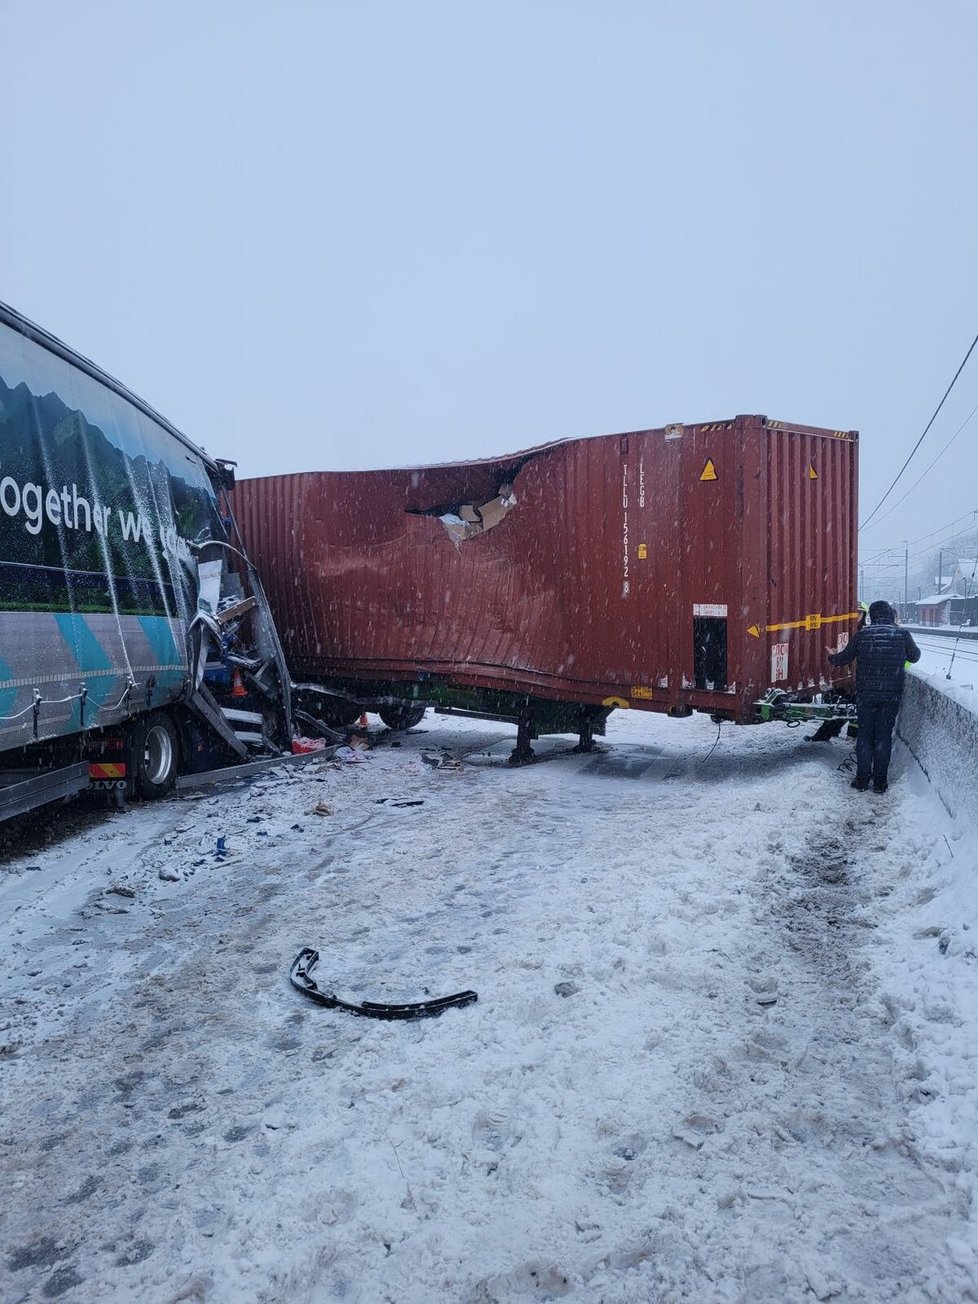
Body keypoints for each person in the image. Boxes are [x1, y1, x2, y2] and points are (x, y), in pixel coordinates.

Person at [826, 600, 920, 793]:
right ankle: (879, 783)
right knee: (883, 737)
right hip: (891, 696)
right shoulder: (902, 635)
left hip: (866, 695)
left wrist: (831, 656)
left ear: (872, 616)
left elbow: (844, 659)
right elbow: (915, 657)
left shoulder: (862, 634)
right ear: (891, 615)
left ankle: (861, 780)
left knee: (865, 737)